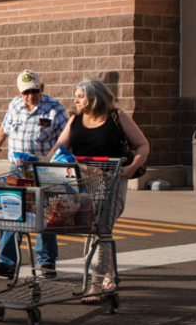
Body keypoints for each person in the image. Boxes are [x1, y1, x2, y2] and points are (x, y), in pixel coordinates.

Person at [54, 77, 149, 303]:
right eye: (75, 96)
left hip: (112, 180)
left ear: (93, 97)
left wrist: (132, 166)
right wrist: (41, 166)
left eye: (80, 96)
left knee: (100, 229)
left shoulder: (116, 117)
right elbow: (58, 149)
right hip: (83, 183)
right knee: (94, 229)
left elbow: (143, 144)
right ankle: (109, 276)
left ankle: (95, 285)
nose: (75, 100)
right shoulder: (75, 120)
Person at [0, 69, 68, 279]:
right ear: (18, 92)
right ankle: (7, 262)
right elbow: (4, 128)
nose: (30, 96)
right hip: (18, 169)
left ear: (41, 88)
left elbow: (67, 137)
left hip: (45, 170)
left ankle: (47, 262)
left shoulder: (55, 109)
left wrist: (53, 158)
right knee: (10, 212)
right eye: (25, 93)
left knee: (45, 216)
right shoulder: (14, 105)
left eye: (34, 91)